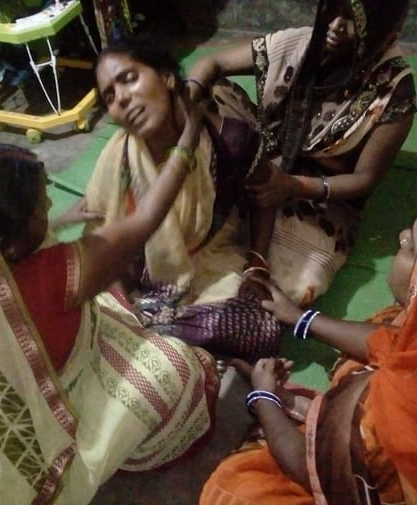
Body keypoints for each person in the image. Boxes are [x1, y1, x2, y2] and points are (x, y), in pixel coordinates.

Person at [0, 93, 221, 505]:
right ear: (11, 245)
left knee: (109, 301)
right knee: (181, 368)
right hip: (51, 403)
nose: (52, 204)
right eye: (41, 210)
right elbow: (146, 218)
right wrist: (189, 136)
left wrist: (57, 222)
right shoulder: (48, 278)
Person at [199, 182, 417, 505]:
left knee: (235, 488)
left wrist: (264, 398)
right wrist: (300, 319)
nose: (401, 236)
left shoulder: (394, 419)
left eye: (412, 248)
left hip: (375, 468)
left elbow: (309, 469)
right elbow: (389, 343)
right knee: (394, 324)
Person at [187, 0, 417, 305]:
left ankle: (248, 240)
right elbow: (212, 64)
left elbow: (364, 178)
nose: (335, 26)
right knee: (209, 98)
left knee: (292, 286)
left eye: (351, 20)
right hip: (265, 146)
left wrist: (292, 185)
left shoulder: (394, 90)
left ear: (380, 30)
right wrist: (185, 101)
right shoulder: (301, 43)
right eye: (332, 10)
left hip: (317, 194)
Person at [80, 37, 281, 362]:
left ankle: (158, 338)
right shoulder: (118, 158)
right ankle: (160, 337)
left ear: (167, 77)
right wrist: (124, 305)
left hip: (204, 265)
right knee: (84, 318)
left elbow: (266, 194)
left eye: (129, 79)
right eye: (110, 96)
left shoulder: (228, 140)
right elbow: (101, 241)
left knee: (262, 331)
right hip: (132, 277)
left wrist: (257, 265)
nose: (123, 99)